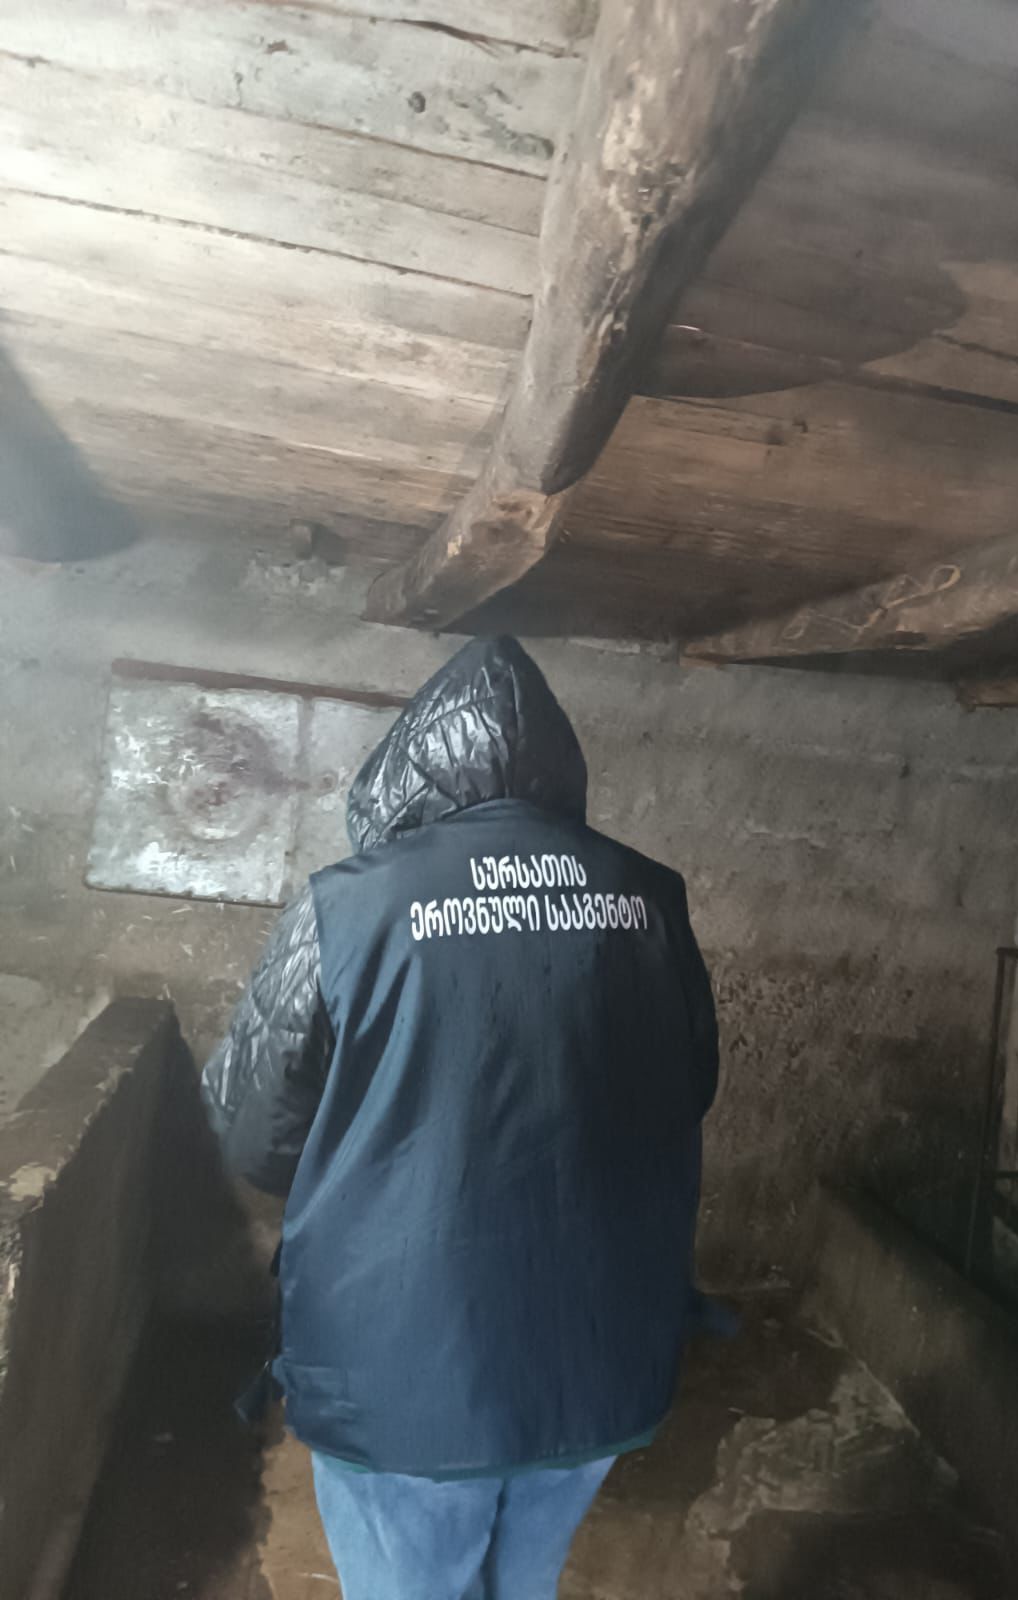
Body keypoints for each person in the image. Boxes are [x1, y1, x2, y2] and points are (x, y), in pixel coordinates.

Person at [201, 634, 719, 1600]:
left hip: (401, 1371)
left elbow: (253, 1138)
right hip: (599, 1354)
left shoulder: (348, 907)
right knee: (525, 1579)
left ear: (414, 767)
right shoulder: (651, 899)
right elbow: (690, 1089)